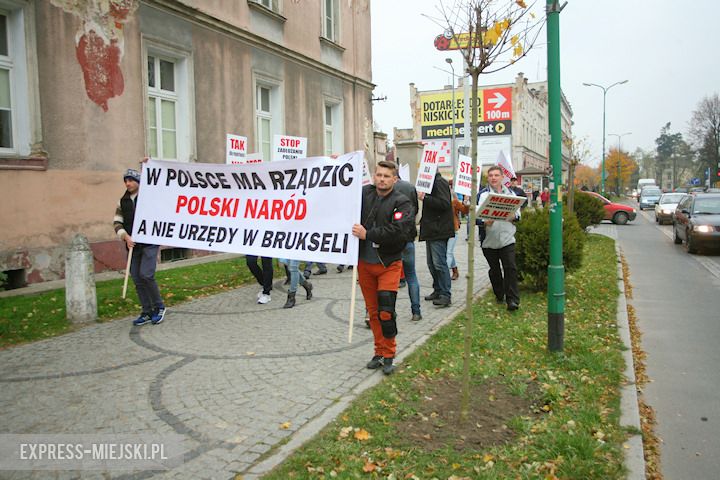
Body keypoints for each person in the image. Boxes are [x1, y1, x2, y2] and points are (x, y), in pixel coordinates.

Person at [352, 160, 414, 375]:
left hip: (389, 264)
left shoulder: (402, 202)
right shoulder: (364, 193)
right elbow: (340, 190)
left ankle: (389, 354)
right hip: (364, 264)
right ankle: (378, 351)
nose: (381, 179)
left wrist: (368, 234)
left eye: (386, 176)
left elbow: (399, 231)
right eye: (379, 175)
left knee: (386, 311)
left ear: (394, 179)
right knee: (374, 313)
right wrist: (336, 165)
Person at [113, 168, 166, 326]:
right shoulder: (122, 201)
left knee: (146, 275)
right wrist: (125, 237)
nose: (127, 183)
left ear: (139, 181)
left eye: (131, 180)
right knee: (137, 277)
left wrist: (147, 165)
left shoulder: (149, 197)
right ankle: (147, 310)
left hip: (149, 242)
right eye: (125, 181)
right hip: (132, 245)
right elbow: (117, 222)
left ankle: (159, 307)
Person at [479, 165, 520, 311]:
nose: (493, 178)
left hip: (507, 238)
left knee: (510, 268)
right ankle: (499, 293)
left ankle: (512, 300)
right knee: (495, 270)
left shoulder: (511, 194)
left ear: (502, 177)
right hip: (489, 241)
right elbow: (476, 218)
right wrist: (484, 222)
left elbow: (518, 215)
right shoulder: (483, 195)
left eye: (496, 175)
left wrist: (513, 216)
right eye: (491, 176)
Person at [418, 171, 455, 307]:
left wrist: (425, 198)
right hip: (432, 229)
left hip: (439, 230)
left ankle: (445, 294)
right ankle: (438, 289)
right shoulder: (430, 183)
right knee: (431, 263)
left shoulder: (439, 182)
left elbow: (444, 203)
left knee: (439, 263)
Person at [393, 173, 422, 321]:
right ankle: (416, 311)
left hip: (391, 238)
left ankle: (390, 311)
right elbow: (415, 210)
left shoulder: (383, 189)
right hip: (408, 236)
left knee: (390, 277)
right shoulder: (410, 187)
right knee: (411, 275)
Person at [447, 180, 469, 281]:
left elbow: (465, 210)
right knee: (447, 252)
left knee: (448, 253)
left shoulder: (454, 201)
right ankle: (455, 269)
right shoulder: (439, 199)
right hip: (442, 230)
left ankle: (444, 275)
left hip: (453, 229)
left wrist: (466, 202)